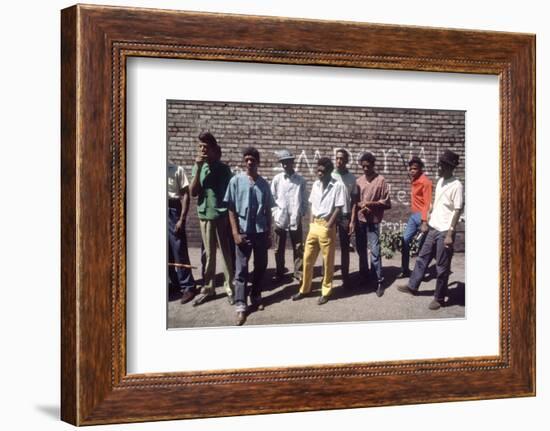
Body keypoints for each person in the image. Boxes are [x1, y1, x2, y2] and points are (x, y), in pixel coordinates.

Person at [397, 150, 464, 310]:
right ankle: (413, 286)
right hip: (433, 226)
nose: (438, 168)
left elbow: (458, 209)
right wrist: (427, 219)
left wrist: (450, 233)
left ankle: (439, 298)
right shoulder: (441, 181)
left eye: (440, 165)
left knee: (441, 266)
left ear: (448, 167)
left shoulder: (457, 185)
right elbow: (436, 204)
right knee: (422, 258)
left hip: (444, 231)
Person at [224, 147, 276, 325]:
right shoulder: (236, 181)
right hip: (243, 232)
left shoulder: (264, 184)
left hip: (260, 232)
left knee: (261, 265)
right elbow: (231, 208)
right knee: (241, 269)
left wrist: (269, 233)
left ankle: (256, 295)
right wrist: (235, 233)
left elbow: (268, 210)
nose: (249, 162)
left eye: (252, 159)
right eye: (246, 159)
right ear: (244, 161)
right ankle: (240, 306)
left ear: (258, 162)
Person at [189, 132, 235, 307]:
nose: (202, 150)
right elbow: (193, 192)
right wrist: (199, 169)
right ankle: (208, 288)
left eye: (206, 147)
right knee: (208, 255)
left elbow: (231, 194)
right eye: (200, 146)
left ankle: (229, 288)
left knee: (225, 253)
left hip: (220, 215)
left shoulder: (223, 169)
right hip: (204, 216)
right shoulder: (198, 167)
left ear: (215, 150)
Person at [292, 157, 346, 305]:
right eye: (318, 170)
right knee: (307, 260)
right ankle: (304, 289)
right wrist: (310, 222)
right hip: (314, 225)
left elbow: (339, 207)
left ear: (329, 171)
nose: (319, 173)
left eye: (322, 171)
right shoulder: (316, 184)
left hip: (326, 227)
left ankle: (326, 292)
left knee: (327, 263)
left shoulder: (337, 186)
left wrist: (329, 225)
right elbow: (311, 204)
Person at [350, 152, 391, 297]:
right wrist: (354, 219)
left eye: (368, 166)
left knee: (375, 251)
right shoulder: (359, 181)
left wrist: (370, 205)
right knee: (361, 251)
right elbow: (355, 202)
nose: (366, 169)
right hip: (361, 221)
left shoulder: (381, 180)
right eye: (363, 166)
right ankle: (364, 276)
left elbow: (386, 203)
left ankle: (378, 280)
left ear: (373, 165)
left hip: (373, 222)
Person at [270, 150, 307, 283]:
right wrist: (275, 213)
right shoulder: (277, 179)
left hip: (295, 219)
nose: (285, 165)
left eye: (287, 162)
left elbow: (304, 199)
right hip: (280, 219)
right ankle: (279, 272)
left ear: (292, 162)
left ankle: (298, 272)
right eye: (283, 163)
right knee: (278, 248)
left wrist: (301, 213)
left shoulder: (300, 180)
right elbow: (272, 198)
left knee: (298, 247)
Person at [398, 156, 433, 278]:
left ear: (420, 169)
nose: (412, 171)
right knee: (405, 240)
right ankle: (405, 269)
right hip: (414, 216)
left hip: (422, 217)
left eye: (415, 169)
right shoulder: (414, 180)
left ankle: (420, 273)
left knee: (423, 247)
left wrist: (424, 221)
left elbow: (428, 203)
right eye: (411, 168)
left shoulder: (426, 182)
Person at [167, 163, 196, 303]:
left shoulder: (177, 170)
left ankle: (188, 286)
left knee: (179, 250)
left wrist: (181, 218)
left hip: (172, 211)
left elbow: (185, 194)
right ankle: (174, 283)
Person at [331, 148, 356, 287]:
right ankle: (326, 274)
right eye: (337, 158)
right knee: (327, 246)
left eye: (342, 159)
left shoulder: (352, 178)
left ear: (346, 161)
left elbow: (354, 202)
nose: (339, 161)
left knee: (345, 248)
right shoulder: (330, 175)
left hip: (345, 217)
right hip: (331, 217)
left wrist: (352, 220)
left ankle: (346, 277)